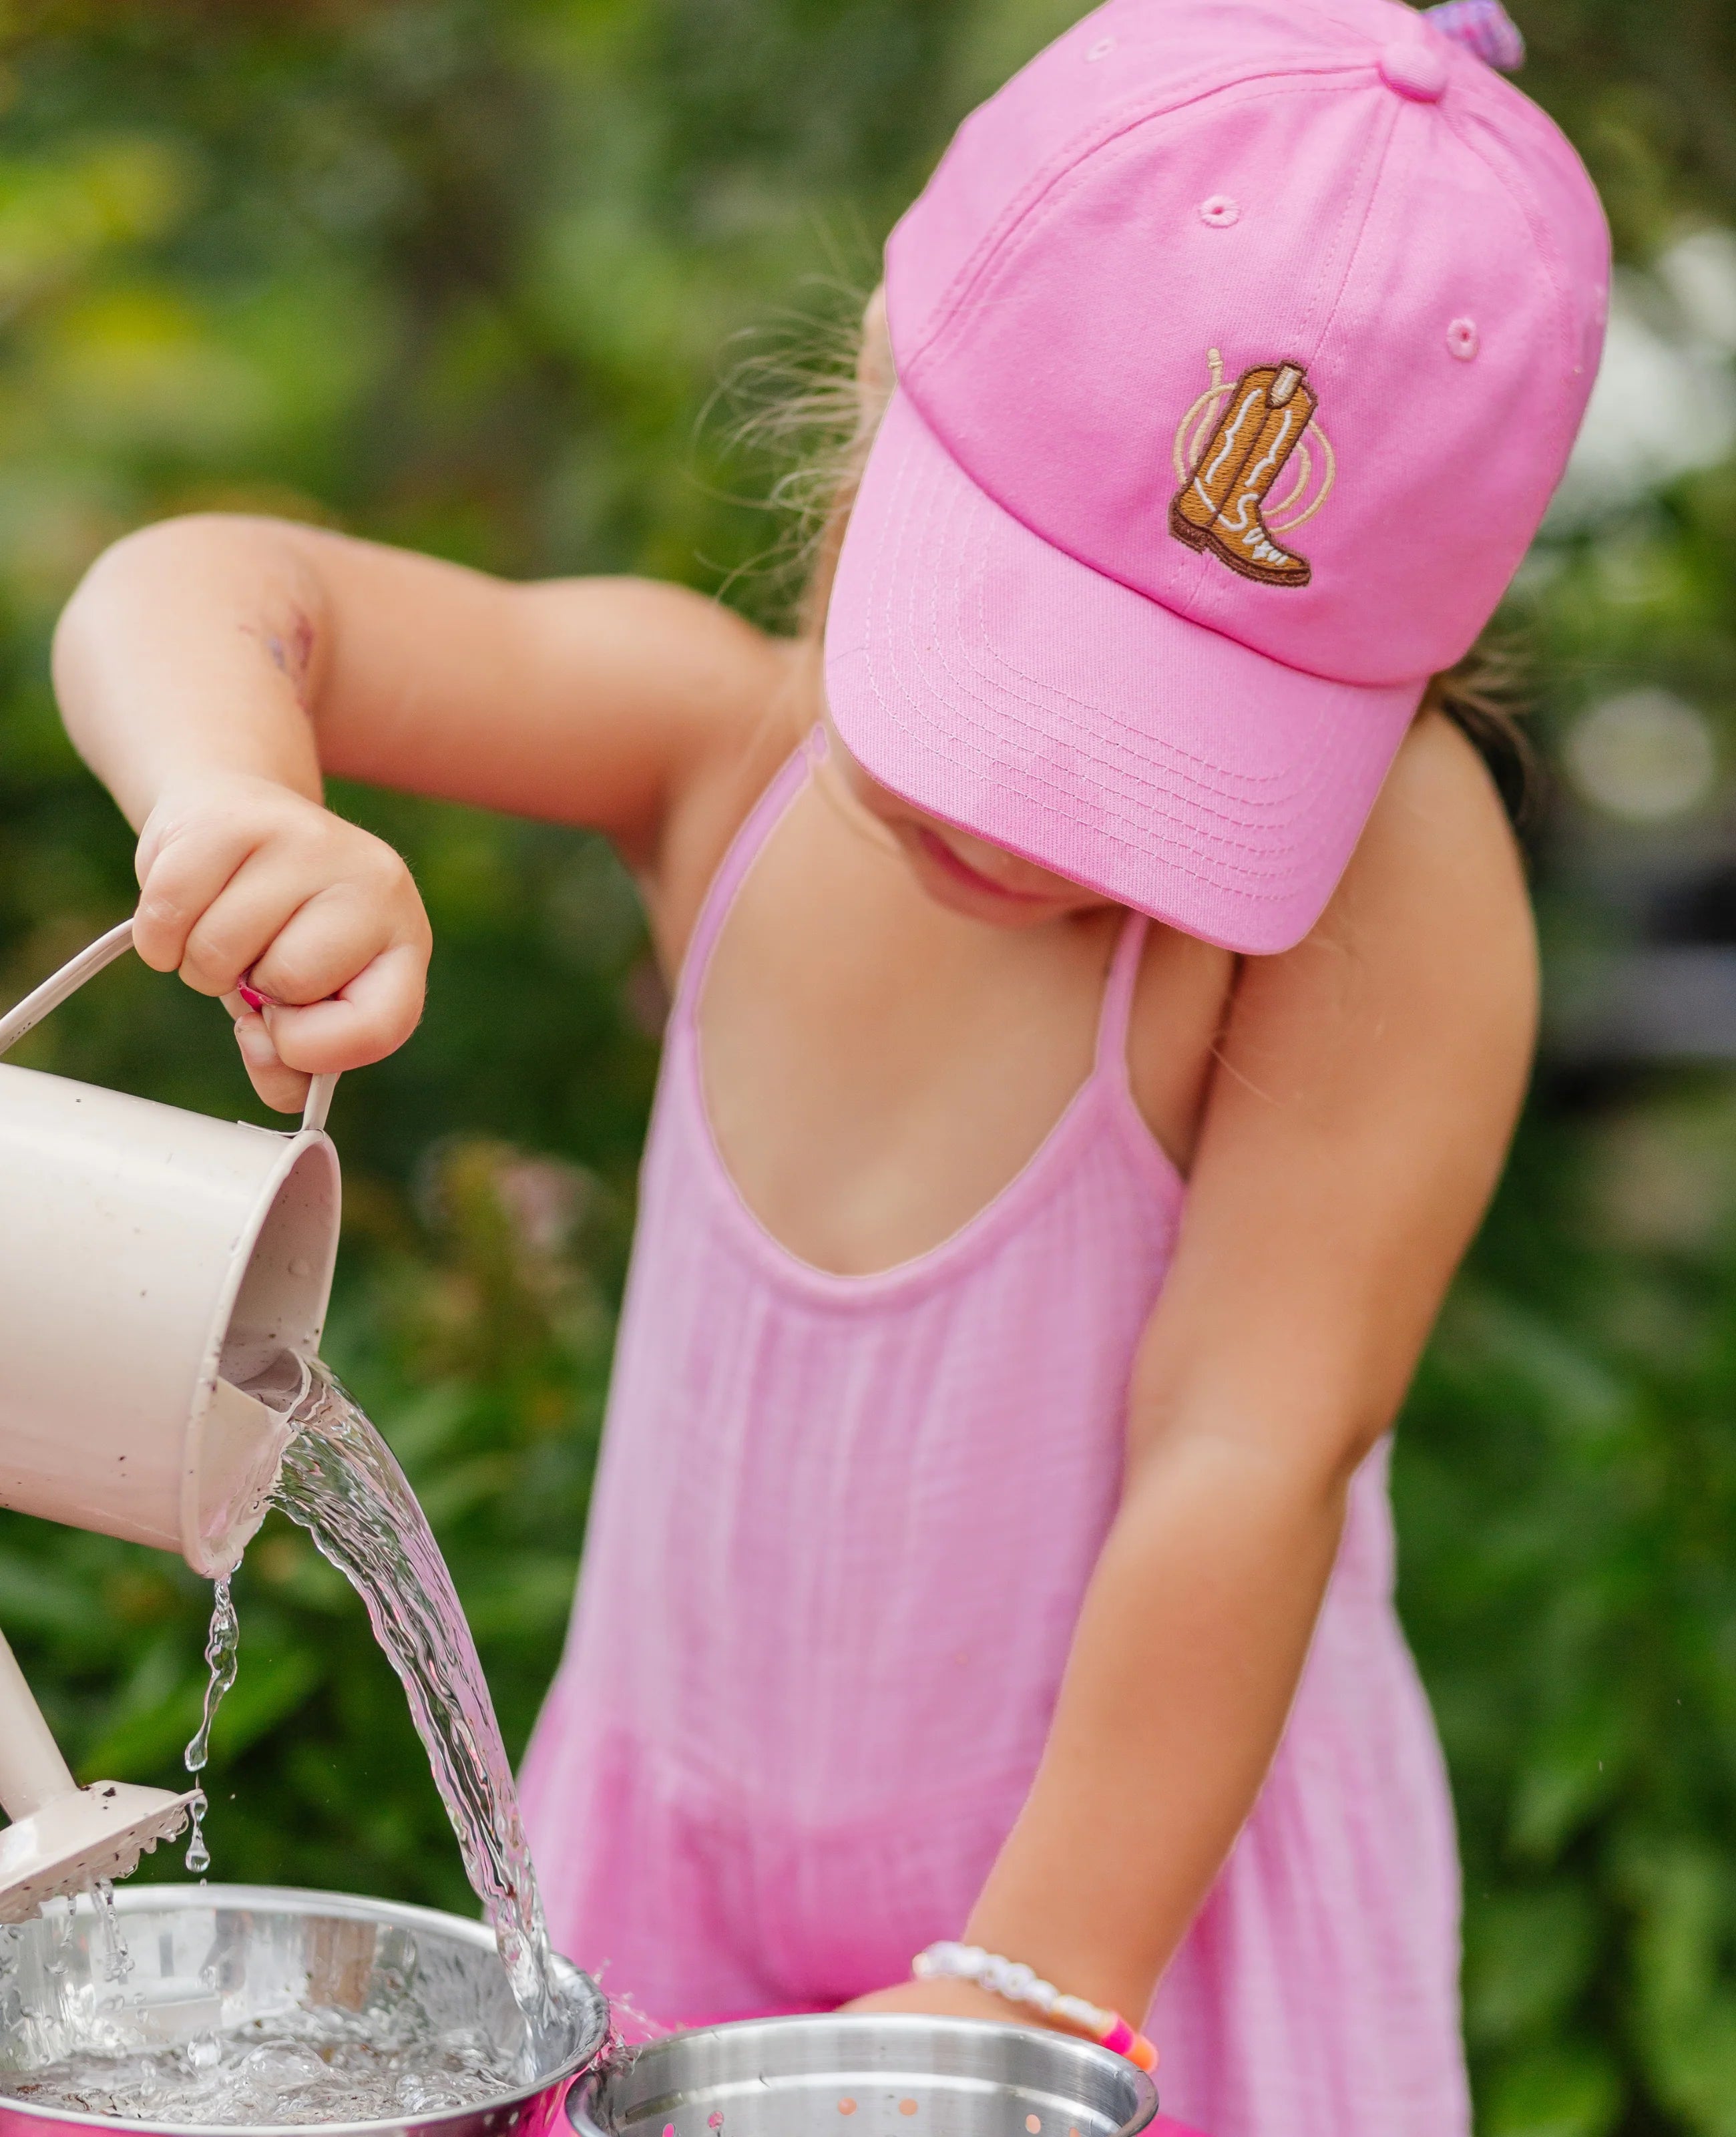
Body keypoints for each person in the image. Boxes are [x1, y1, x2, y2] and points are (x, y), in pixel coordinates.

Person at [49, 0, 1608, 2129]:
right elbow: (213, 587)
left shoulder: (1378, 883)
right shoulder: (719, 753)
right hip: (660, 1896)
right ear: (880, 388)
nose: (1040, 815)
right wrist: (241, 799)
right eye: (1018, 666)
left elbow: (1251, 1449)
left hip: (1114, 1939)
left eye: (1172, 752)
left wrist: (1024, 2008)